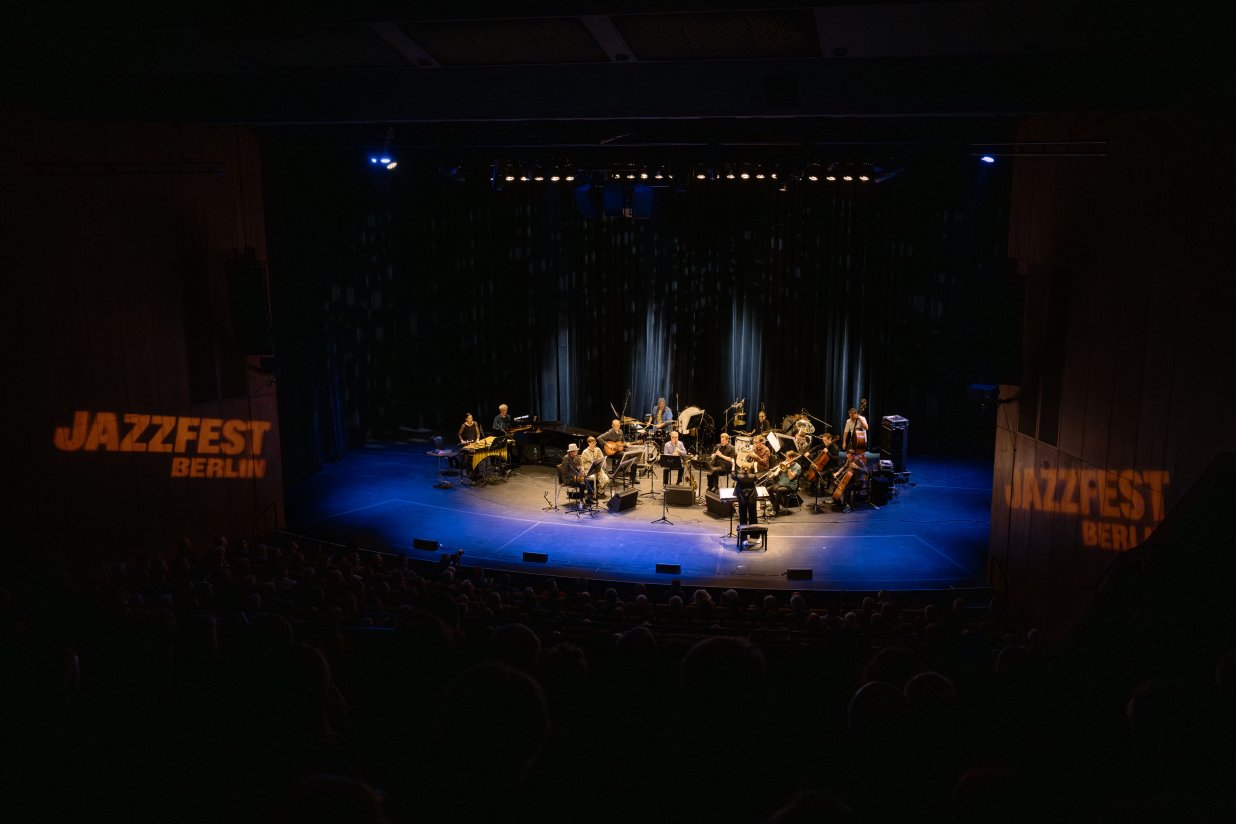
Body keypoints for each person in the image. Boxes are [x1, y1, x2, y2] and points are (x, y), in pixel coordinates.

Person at [598, 419, 635, 486]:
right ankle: (617, 472)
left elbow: (623, 441)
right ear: (612, 426)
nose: (617, 427)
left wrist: (626, 444)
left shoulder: (621, 431)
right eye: (615, 426)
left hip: (619, 450)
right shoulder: (610, 433)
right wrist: (606, 444)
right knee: (624, 455)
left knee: (632, 454)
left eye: (618, 425)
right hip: (611, 452)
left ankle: (633, 477)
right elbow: (599, 438)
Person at [770, 451, 802, 515]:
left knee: (779, 490)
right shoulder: (784, 463)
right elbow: (777, 472)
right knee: (768, 489)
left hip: (791, 486)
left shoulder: (798, 467)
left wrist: (789, 467)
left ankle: (775, 510)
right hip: (782, 483)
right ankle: (775, 505)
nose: (786, 458)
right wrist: (773, 474)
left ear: (792, 458)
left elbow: (791, 477)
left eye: (787, 457)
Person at [733, 466, 759, 545]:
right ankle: (755, 537)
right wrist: (756, 468)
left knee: (743, 518)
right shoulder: (753, 476)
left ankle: (744, 539)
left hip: (742, 499)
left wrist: (733, 465)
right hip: (752, 499)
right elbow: (757, 477)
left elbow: (732, 475)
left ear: (741, 469)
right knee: (753, 517)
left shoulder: (739, 476)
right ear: (749, 469)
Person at [580, 436, 609, 501]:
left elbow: (602, 459)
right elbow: (582, 464)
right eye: (592, 443)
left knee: (606, 480)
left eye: (595, 442)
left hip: (598, 469)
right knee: (592, 479)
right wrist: (583, 473)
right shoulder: (585, 452)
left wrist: (603, 465)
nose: (594, 444)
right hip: (589, 470)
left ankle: (599, 492)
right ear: (588, 443)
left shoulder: (598, 449)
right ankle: (593, 494)